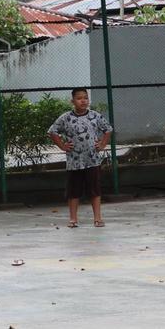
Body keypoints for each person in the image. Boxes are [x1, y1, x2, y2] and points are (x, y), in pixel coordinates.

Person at [49, 88, 113, 227]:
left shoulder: (95, 116)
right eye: (79, 98)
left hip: (92, 160)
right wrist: (62, 146)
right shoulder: (65, 118)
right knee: (74, 191)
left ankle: (97, 218)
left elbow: (108, 129)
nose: (83, 101)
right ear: (73, 101)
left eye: (85, 98)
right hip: (74, 162)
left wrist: (102, 144)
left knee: (94, 190)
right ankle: (73, 219)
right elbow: (52, 131)